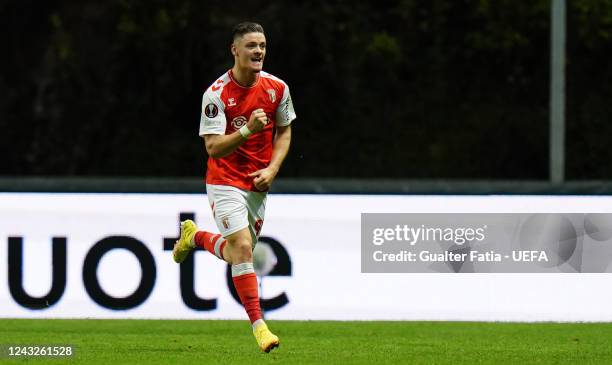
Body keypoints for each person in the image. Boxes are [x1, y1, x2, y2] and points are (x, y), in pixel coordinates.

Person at [172, 21, 295, 353]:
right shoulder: (216, 95)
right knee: (242, 248)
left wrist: (272, 168)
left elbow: (284, 131)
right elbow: (212, 147)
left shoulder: (277, 88)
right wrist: (246, 131)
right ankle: (260, 326)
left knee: (236, 253)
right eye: (252, 45)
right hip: (224, 180)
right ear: (235, 50)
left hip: (258, 182)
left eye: (263, 46)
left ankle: (194, 237)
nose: (259, 51)